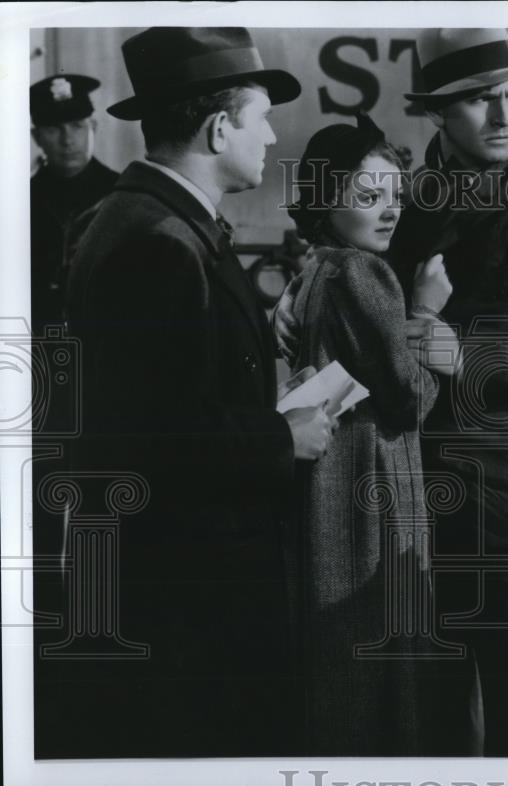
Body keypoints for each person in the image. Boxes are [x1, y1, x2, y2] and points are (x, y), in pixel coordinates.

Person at [275, 27, 508, 756]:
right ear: (438, 111)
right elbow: (353, 274)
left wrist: (466, 353)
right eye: (478, 101)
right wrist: (299, 292)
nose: (504, 116)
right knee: (421, 682)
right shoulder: (402, 190)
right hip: (404, 473)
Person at [56, 27, 333, 758]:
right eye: (260, 117)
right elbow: (152, 437)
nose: (272, 136)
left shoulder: (141, 218)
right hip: (191, 589)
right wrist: (287, 436)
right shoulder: (160, 242)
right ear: (218, 128)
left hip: (176, 575)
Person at [282, 116, 457, 755]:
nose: (389, 212)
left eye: (395, 196)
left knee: (342, 659)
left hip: (332, 485)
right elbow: (409, 401)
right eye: (368, 197)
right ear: (328, 200)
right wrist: (428, 316)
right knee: (380, 653)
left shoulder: (317, 267)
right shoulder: (366, 274)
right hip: (372, 488)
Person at [30, 74, 118, 334]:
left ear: (94, 127)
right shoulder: (19, 201)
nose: (67, 140)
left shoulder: (122, 194)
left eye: (77, 126)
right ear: (36, 137)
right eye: (54, 129)